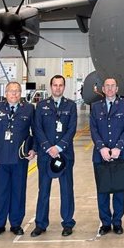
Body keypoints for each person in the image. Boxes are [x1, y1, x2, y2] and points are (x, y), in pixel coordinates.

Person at [0, 81, 35, 238]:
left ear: (21, 93)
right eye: (11, 91)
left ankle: (16, 223)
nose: (14, 94)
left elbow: (36, 131)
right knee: (1, 192)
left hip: (19, 158)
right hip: (1, 158)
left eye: (17, 91)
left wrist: (34, 149)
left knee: (18, 192)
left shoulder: (29, 109)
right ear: (6, 93)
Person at [31, 75, 78, 237]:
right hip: (45, 155)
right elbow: (37, 129)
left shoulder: (71, 106)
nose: (58, 88)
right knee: (43, 190)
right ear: (51, 87)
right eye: (55, 85)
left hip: (64, 155)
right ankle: (41, 223)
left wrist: (58, 147)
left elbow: (71, 129)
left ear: (64, 87)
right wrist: (47, 147)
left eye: (60, 85)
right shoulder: (41, 106)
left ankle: (67, 223)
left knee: (66, 189)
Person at [89, 77, 124, 235]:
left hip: (121, 154)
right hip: (101, 155)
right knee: (103, 190)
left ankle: (117, 222)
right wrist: (101, 148)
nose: (109, 88)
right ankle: (105, 222)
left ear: (117, 88)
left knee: (119, 190)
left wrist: (118, 148)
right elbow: (93, 129)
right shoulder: (95, 107)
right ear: (103, 88)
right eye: (107, 86)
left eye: (112, 86)